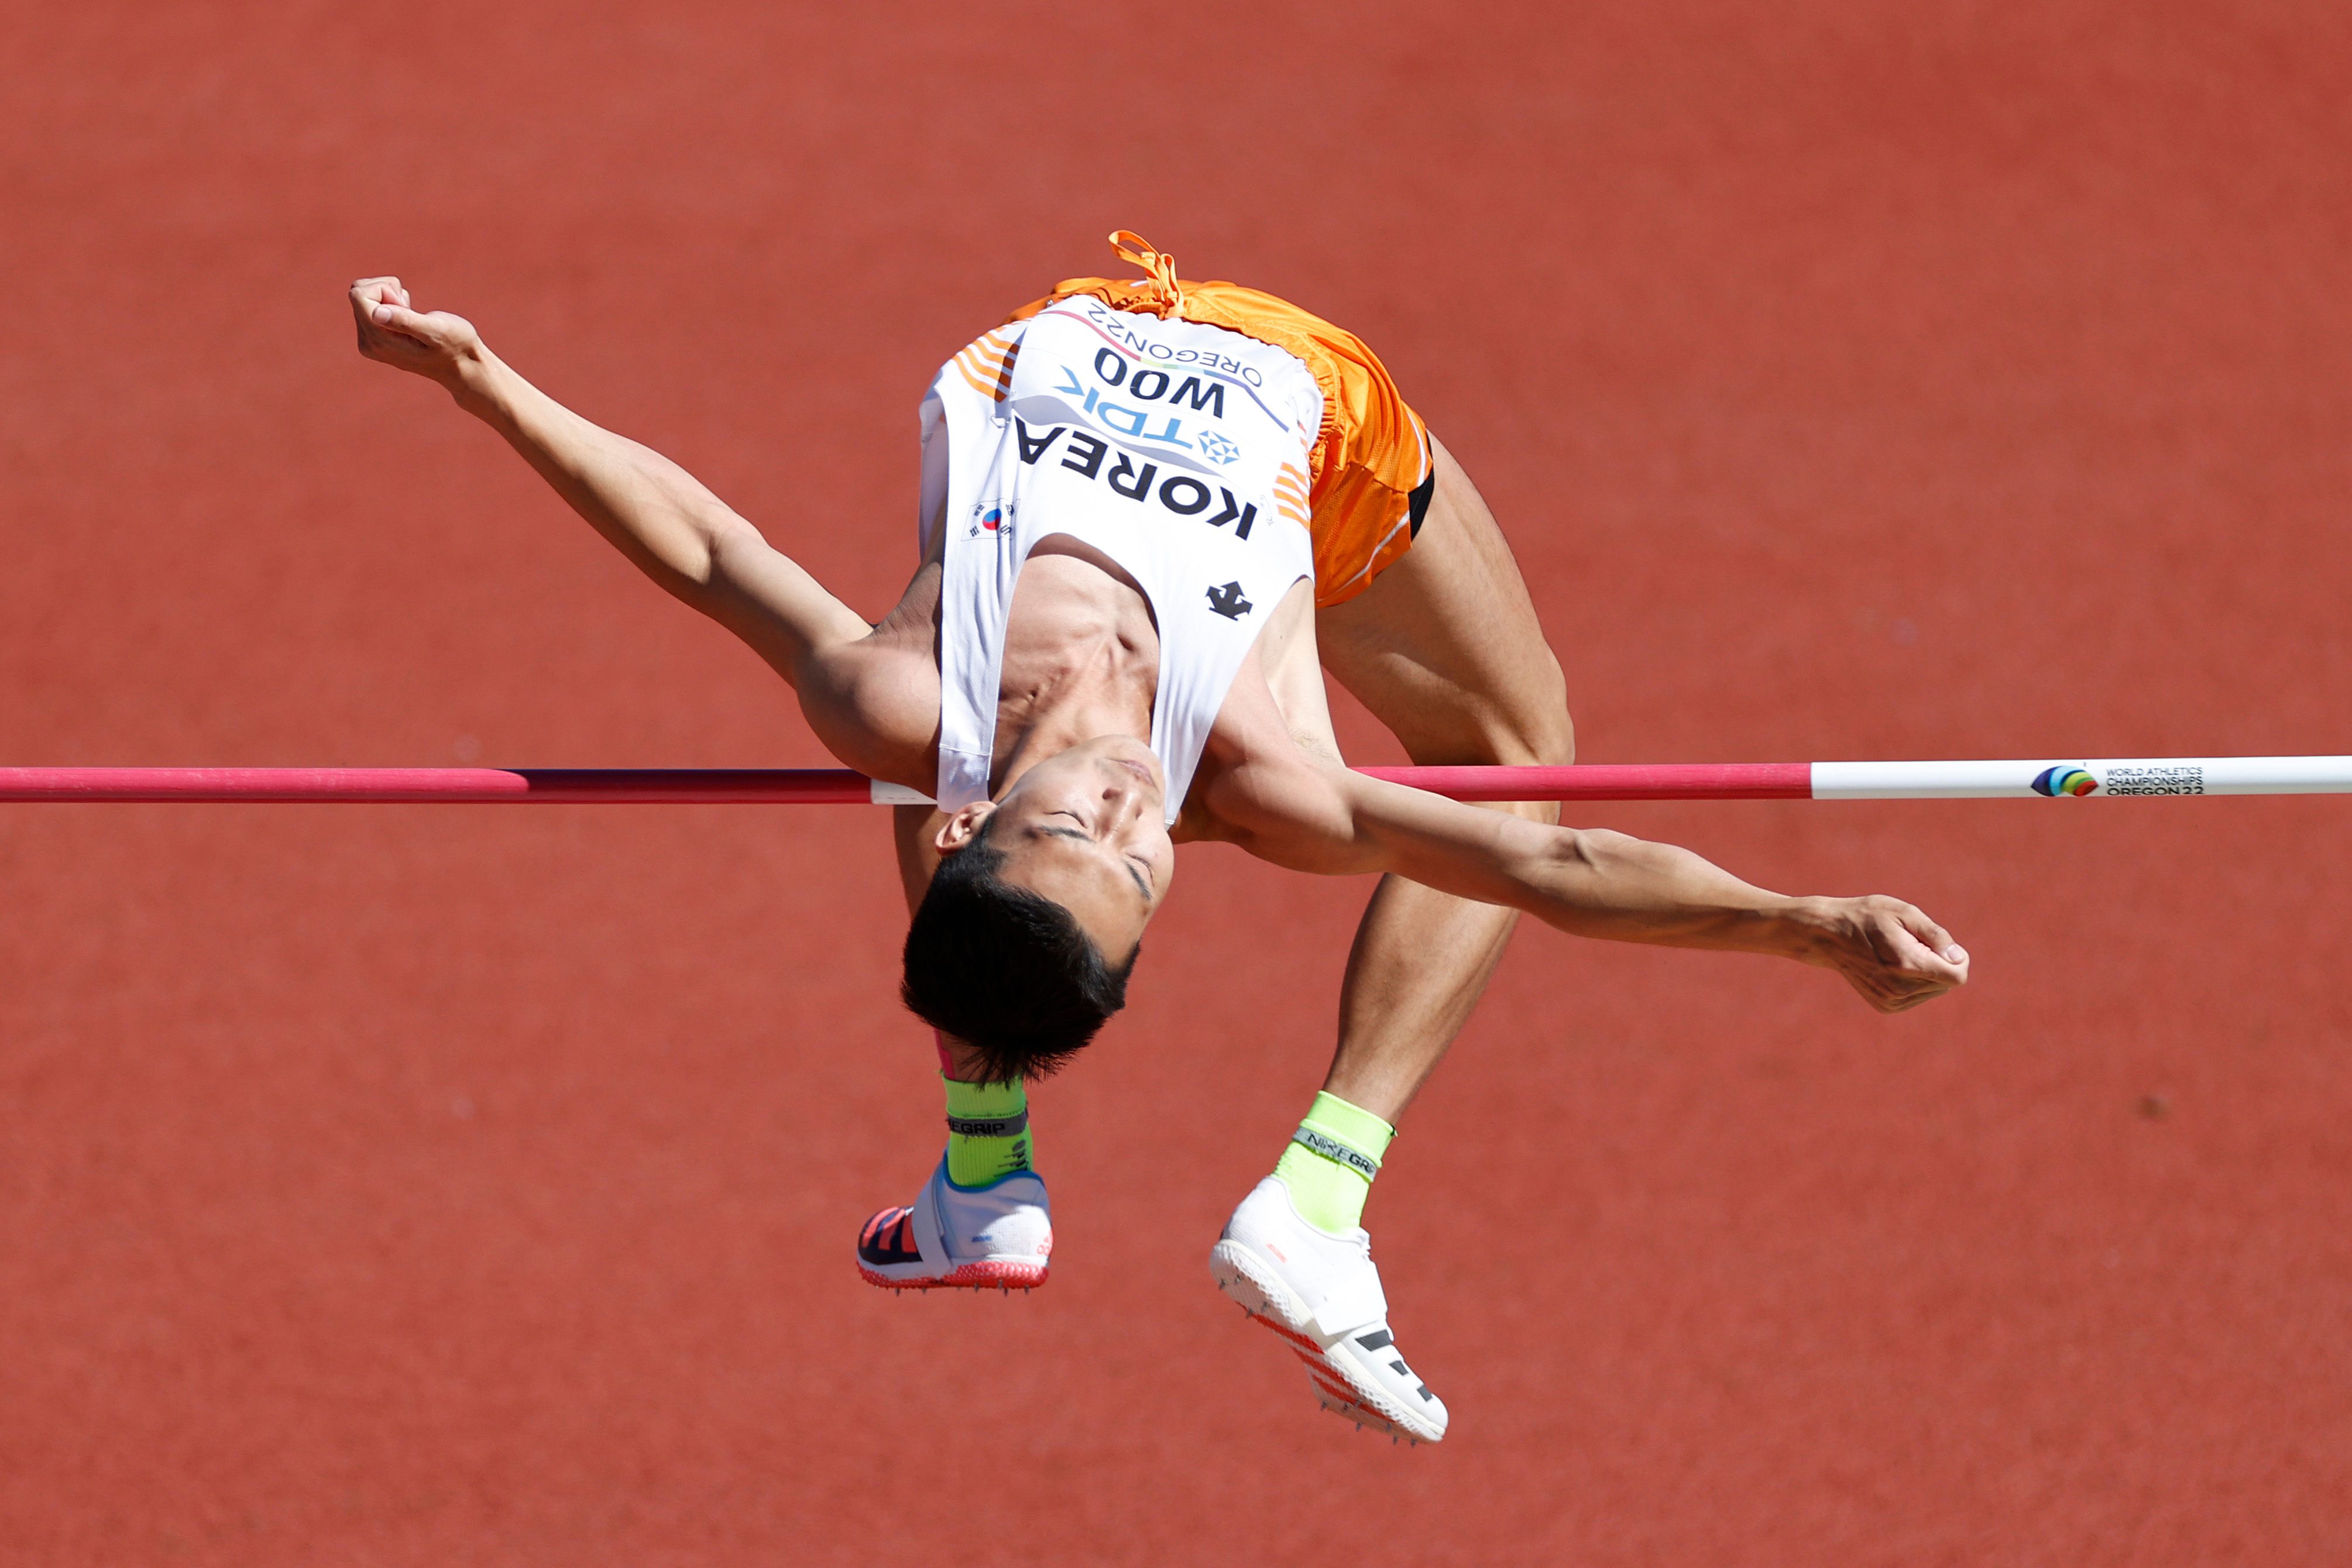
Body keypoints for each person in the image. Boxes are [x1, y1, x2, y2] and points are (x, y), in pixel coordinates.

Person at [349, 236, 1969, 1445]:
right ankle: (1318, 1202)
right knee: (1508, 755)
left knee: (909, 760)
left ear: (1002, 814)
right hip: (1306, 410)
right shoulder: (1267, 789)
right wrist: (1806, 924)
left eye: (1075, 821)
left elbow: (708, 549)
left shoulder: (905, 704)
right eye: (1140, 866)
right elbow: (1550, 868)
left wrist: (482, 383)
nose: (1129, 807)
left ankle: (982, 1172)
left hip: (1047, 349)